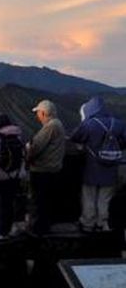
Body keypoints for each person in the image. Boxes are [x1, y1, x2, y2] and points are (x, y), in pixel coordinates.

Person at [69, 96, 126, 232]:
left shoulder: (89, 124)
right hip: (111, 168)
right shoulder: (118, 123)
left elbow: (75, 137)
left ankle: (88, 223)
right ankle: (102, 223)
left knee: (89, 196)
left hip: (92, 167)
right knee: (105, 198)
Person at [26, 100, 66, 236]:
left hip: (42, 170)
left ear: (43, 113)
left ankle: (36, 230)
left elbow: (36, 147)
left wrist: (27, 152)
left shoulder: (50, 126)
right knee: (48, 200)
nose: (37, 116)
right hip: (54, 169)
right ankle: (45, 226)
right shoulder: (58, 124)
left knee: (38, 201)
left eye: (38, 113)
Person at [0, 114, 26, 240]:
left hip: (1, 175)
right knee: (9, 202)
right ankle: (7, 227)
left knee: (2, 203)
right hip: (16, 174)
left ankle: (2, 231)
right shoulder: (17, 135)